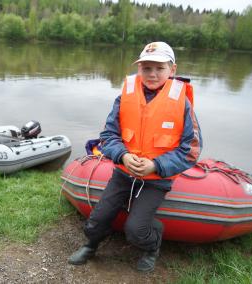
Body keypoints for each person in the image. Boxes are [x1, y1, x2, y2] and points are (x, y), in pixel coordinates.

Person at [68, 42, 203, 272]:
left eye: (159, 68)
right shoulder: (124, 96)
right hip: (123, 173)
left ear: (173, 70)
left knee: (136, 230)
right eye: (146, 68)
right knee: (96, 220)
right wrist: (122, 155)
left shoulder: (183, 103)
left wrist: (156, 165)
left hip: (157, 180)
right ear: (139, 69)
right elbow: (108, 136)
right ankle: (91, 245)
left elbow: (191, 149)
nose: (152, 74)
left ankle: (152, 246)